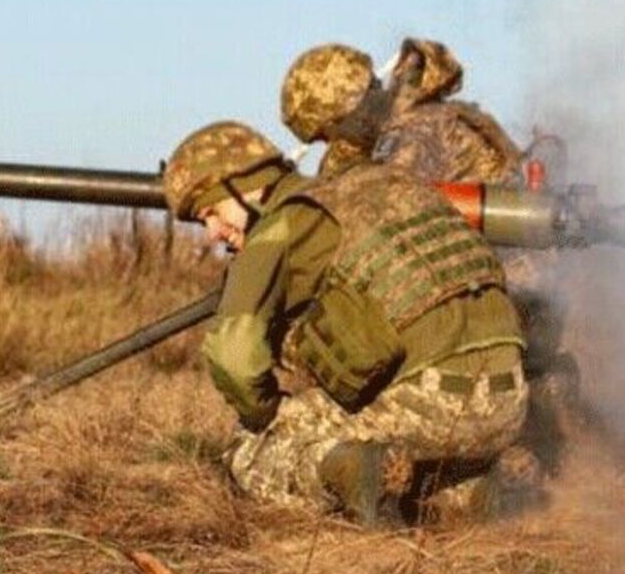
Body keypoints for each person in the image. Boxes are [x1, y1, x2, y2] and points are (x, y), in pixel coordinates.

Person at [162, 120, 531, 526]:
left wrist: (266, 415)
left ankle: (350, 471)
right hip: (510, 404)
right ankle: (468, 489)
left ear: (243, 185)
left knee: (253, 451)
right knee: (404, 440)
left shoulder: (279, 228)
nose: (214, 233)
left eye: (212, 212)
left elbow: (233, 355)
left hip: (431, 401)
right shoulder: (385, 182)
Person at [280, 38, 579, 473]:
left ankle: (481, 445)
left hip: (499, 303)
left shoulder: (412, 135)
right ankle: (538, 405)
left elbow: (380, 222)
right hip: (530, 299)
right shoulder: (455, 119)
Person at [280, 39, 522, 183]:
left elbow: (375, 206)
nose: (333, 143)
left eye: (327, 135)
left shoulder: (420, 131)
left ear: (347, 116)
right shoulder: (386, 131)